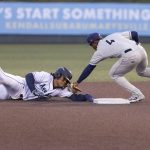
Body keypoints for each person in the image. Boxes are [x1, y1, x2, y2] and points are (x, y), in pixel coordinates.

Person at [74, 31, 150, 102]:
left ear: (94, 42)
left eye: (91, 44)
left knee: (114, 74)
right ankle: (137, 94)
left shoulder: (99, 51)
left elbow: (89, 68)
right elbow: (134, 33)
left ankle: (137, 94)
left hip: (131, 55)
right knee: (142, 71)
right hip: (141, 50)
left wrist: (78, 82)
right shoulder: (113, 35)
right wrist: (137, 43)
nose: (92, 47)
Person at [0, 67, 93, 102]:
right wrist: (33, 90)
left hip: (13, 96)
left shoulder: (60, 91)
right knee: (3, 77)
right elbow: (29, 76)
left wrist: (86, 97)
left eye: (67, 81)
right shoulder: (46, 76)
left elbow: (74, 98)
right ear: (58, 75)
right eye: (64, 79)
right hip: (20, 85)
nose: (65, 82)